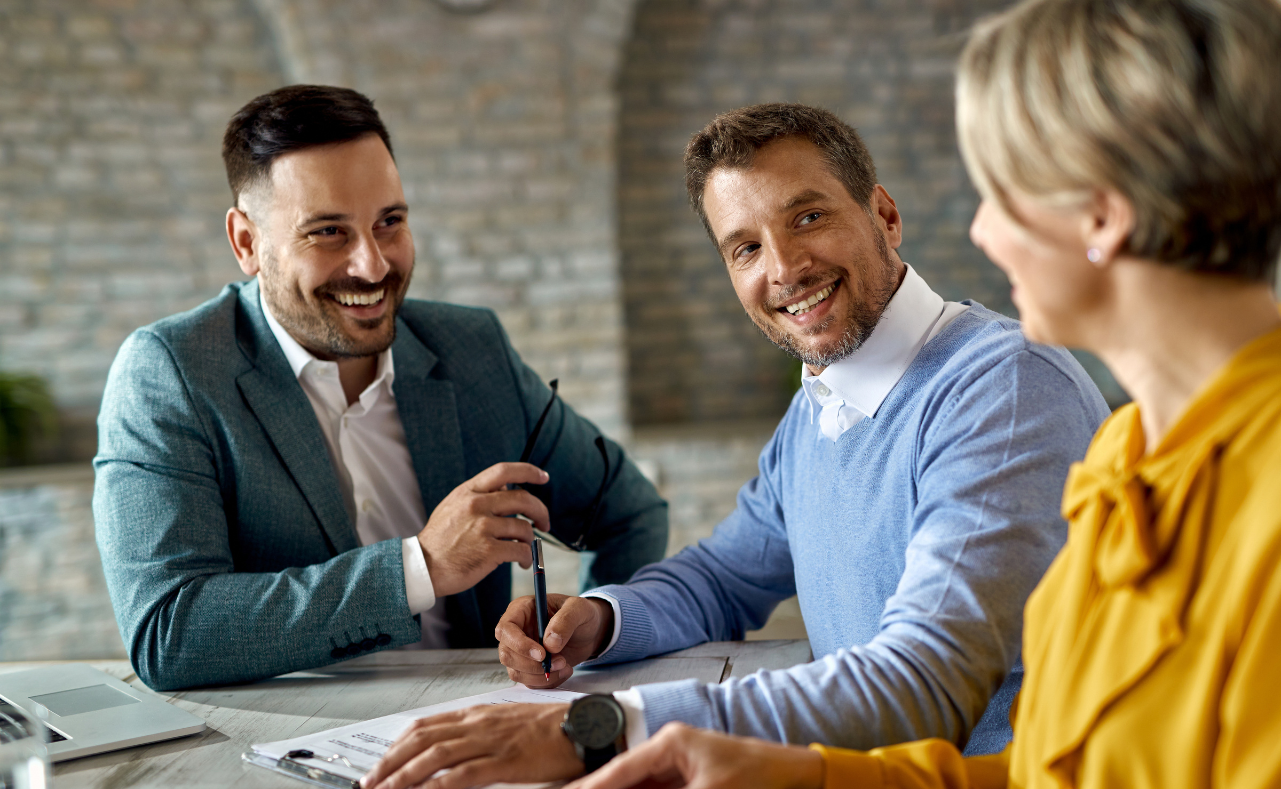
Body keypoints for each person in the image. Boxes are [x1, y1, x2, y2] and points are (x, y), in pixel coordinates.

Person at [554, 0, 1281, 786]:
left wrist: (617, 727)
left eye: (1002, 191)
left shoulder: (1019, 394)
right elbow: (1053, 771)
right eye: (746, 247)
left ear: (1103, 213)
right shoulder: (1124, 453)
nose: (980, 232)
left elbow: (937, 684)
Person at [358, 103, 1111, 789]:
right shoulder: (821, 403)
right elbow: (722, 578)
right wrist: (597, 618)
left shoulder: (1001, 387)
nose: (783, 269)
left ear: (883, 214)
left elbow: (921, 682)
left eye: (808, 217)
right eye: (745, 247)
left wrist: (608, 728)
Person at [93, 85, 668, 692]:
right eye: (328, 233)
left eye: (389, 222)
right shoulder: (169, 373)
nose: (372, 266)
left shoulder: (473, 351)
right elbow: (169, 632)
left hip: (484, 731)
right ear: (247, 243)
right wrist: (420, 567)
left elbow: (628, 513)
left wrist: (594, 634)